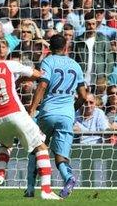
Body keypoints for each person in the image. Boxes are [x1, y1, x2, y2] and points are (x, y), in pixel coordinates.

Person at [0, 35, 60, 200]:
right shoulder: (9, 65)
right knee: (40, 146)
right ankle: (46, 190)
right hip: (15, 112)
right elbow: (37, 74)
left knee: (5, 145)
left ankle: (0, 175)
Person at [25, 34, 88, 198]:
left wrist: (32, 109)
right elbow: (83, 96)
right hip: (67, 115)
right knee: (61, 156)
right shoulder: (75, 65)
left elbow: (43, 85)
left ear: (49, 48)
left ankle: (30, 188)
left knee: (37, 149)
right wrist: (71, 110)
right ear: (66, 47)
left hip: (48, 112)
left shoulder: (48, 61)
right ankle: (69, 177)